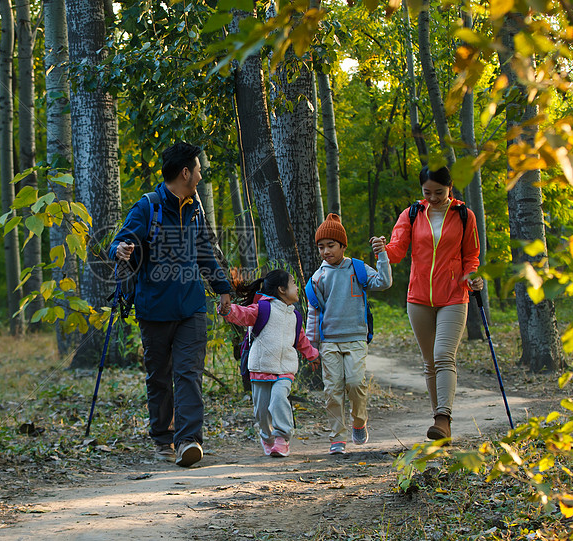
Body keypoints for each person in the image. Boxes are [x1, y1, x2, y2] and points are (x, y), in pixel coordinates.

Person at [109, 142, 232, 468]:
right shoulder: (147, 207)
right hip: (154, 310)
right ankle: (163, 438)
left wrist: (222, 288)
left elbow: (205, 251)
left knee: (188, 374)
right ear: (185, 172)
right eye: (198, 169)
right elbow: (120, 242)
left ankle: (188, 441)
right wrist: (119, 250)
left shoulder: (196, 209)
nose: (201, 174)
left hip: (191, 307)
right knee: (159, 378)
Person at [375, 165, 484, 442]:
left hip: (453, 295)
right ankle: (439, 419)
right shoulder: (411, 214)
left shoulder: (464, 215)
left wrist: (472, 276)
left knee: (443, 355)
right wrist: (382, 249)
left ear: (450, 188)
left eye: (439, 192)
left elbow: (471, 255)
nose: (433, 197)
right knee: (429, 362)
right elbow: (397, 251)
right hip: (419, 296)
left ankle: (443, 418)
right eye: (427, 192)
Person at [305, 214, 393, 455]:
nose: (325, 251)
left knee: (355, 384)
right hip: (329, 342)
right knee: (332, 391)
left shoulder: (357, 268)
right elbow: (313, 314)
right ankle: (337, 437)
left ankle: (359, 421)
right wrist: (312, 349)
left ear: (343, 246)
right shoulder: (317, 278)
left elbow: (384, 282)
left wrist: (382, 254)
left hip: (355, 338)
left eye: (331, 245)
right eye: (321, 247)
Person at [219, 269, 319, 457]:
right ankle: (267, 437)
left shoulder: (295, 316)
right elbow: (243, 314)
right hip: (261, 368)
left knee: (279, 399)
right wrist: (228, 309)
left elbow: (300, 339)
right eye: (293, 283)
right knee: (262, 411)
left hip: (285, 369)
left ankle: (282, 437)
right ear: (282, 289)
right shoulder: (262, 309)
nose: (297, 287)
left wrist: (312, 354)